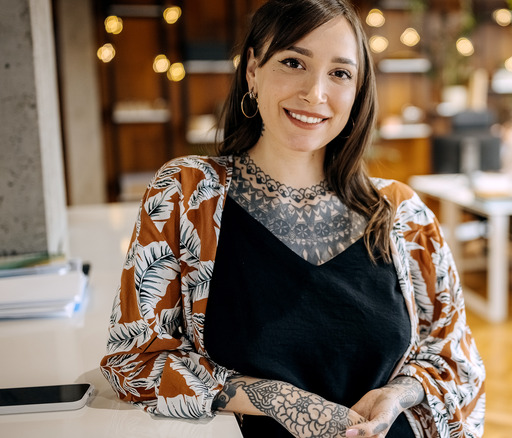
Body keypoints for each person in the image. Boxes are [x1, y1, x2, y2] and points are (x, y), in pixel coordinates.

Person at [99, 1, 486, 437]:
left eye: (340, 73)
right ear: (252, 70)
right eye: (292, 62)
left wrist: (399, 392)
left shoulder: (403, 215)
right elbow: (135, 360)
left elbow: (457, 360)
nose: (315, 93)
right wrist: (277, 400)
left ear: (358, 90)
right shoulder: (188, 193)